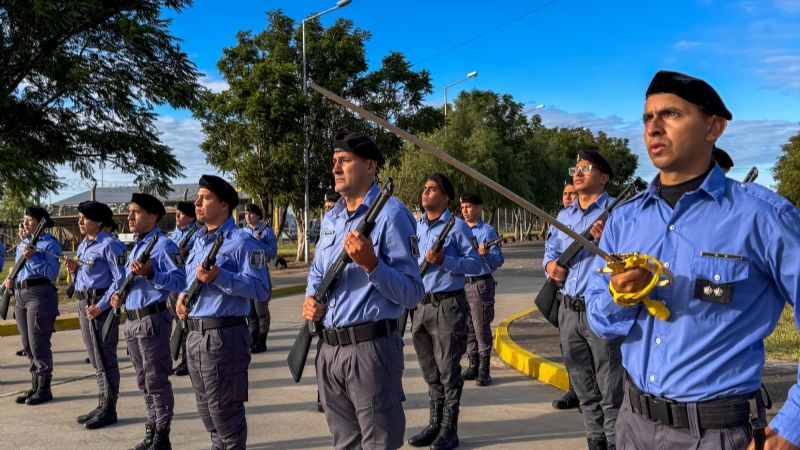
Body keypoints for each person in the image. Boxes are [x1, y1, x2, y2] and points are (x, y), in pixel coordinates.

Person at [586, 70, 800, 450]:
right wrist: (621, 297)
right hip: (633, 424)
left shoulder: (763, 217)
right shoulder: (625, 220)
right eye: (647, 118)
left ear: (713, 128)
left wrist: (791, 427)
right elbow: (599, 321)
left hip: (718, 433)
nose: (653, 128)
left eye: (671, 114)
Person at [303, 131, 423, 450]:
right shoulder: (332, 218)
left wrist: (372, 265)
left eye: (345, 160)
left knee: (378, 443)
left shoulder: (392, 215)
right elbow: (317, 272)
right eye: (334, 161)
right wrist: (311, 298)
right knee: (344, 443)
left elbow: (413, 292)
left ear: (370, 166)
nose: (335, 168)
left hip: (370, 350)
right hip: (329, 349)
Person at [175, 175, 269, 449]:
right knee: (208, 414)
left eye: (205, 198)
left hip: (223, 337)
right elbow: (190, 283)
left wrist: (221, 278)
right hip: (194, 336)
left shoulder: (242, 242)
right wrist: (182, 298)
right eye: (198, 197)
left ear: (224, 204)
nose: (197, 202)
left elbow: (261, 288)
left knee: (226, 415)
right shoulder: (199, 241)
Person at [544, 150, 622, 450]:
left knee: (610, 387)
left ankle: (614, 441)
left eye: (586, 168)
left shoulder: (619, 214)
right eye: (575, 168)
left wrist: (606, 242)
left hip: (600, 310)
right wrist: (550, 267)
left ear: (604, 178)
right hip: (568, 308)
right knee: (582, 383)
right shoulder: (564, 216)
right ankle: (595, 439)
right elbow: (550, 253)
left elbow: (631, 260)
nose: (577, 173)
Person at [107, 193, 187, 450]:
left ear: (152, 217)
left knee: (156, 381)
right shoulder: (137, 246)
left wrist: (152, 273)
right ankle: (152, 430)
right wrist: (119, 296)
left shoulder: (163, 246)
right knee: (143, 381)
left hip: (152, 320)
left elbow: (180, 280)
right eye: (129, 211)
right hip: (132, 321)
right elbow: (129, 282)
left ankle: (162, 435)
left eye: (136, 212)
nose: (130, 216)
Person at [408, 173, 481, 450]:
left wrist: (445, 261)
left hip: (447, 306)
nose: (425, 192)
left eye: (432, 189)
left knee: (449, 371)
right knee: (430, 370)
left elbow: (476, 264)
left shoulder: (457, 228)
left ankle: (450, 429)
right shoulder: (416, 226)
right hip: (420, 305)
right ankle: (435, 423)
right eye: (425, 188)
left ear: (445, 197)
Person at [69, 201, 126, 429]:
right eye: (80, 217)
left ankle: (109, 408)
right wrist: (74, 271)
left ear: (99, 221)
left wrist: (101, 306)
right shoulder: (84, 244)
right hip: (84, 303)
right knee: (95, 358)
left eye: (84, 218)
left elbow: (120, 280)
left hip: (100, 307)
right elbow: (83, 277)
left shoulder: (109, 245)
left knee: (105, 357)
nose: (80, 222)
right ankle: (102, 402)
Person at [5, 207, 61, 405]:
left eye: (29, 219)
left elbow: (52, 273)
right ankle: (35, 384)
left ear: (40, 222)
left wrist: (34, 257)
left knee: (38, 342)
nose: (25, 223)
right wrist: (11, 279)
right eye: (24, 219)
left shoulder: (49, 244)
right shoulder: (24, 243)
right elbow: (20, 269)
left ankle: (44, 388)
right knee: (27, 344)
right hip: (20, 294)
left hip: (40, 294)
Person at [458, 192, 504, 387]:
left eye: (468, 207)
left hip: (480, 284)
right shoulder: (459, 229)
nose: (465, 211)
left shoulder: (488, 231)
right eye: (462, 207)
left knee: (480, 327)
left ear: (479, 208)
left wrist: (485, 255)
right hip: (462, 283)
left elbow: (498, 260)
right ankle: (473, 365)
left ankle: (484, 370)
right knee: (467, 327)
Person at [553, 177, 581, 411]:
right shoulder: (560, 220)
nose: (568, 198)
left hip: (588, 298)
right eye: (565, 194)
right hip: (564, 293)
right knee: (569, 349)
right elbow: (550, 251)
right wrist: (549, 266)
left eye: (572, 193)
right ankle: (574, 390)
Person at [167, 200, 199, 376]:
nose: (177, 216)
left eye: (182, 213)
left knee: (187, 324)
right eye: (177, 212)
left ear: (191, 217)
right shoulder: (173, 235)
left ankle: (188, 361)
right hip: (173, 284)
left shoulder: (196, 235)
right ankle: (183, 359)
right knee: (179, 323)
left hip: (186, 285)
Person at [242, 202, 278, 354]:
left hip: (260, 275)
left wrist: (259, 243)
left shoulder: (266, 231)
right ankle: (253, 339)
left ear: (258, 215)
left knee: (261, 310)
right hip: (246, 275)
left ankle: (262, 341)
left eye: (251, 213)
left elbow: (273, 252)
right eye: (246, 213)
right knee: (250, 312)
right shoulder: (243, 232)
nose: (248, 216)